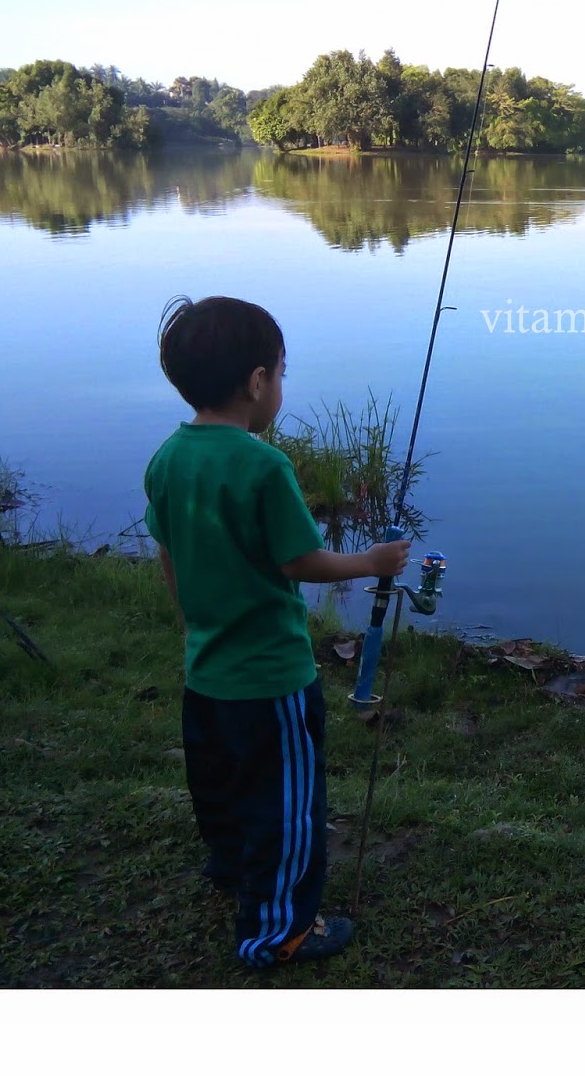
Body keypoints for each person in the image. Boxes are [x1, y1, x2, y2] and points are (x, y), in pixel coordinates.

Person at [143, 295, 409, 967]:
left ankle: (231, 867)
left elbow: (169, 552)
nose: (282, 385)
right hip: (271, 679)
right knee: (287, 803)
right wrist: (371, 562)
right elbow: (301, 560)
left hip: (206, 669)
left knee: (224, 784)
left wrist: (198, 618)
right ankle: (282, 929)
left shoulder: (168, 457)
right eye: (282, 371)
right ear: (258, 382)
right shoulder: (265, 466)